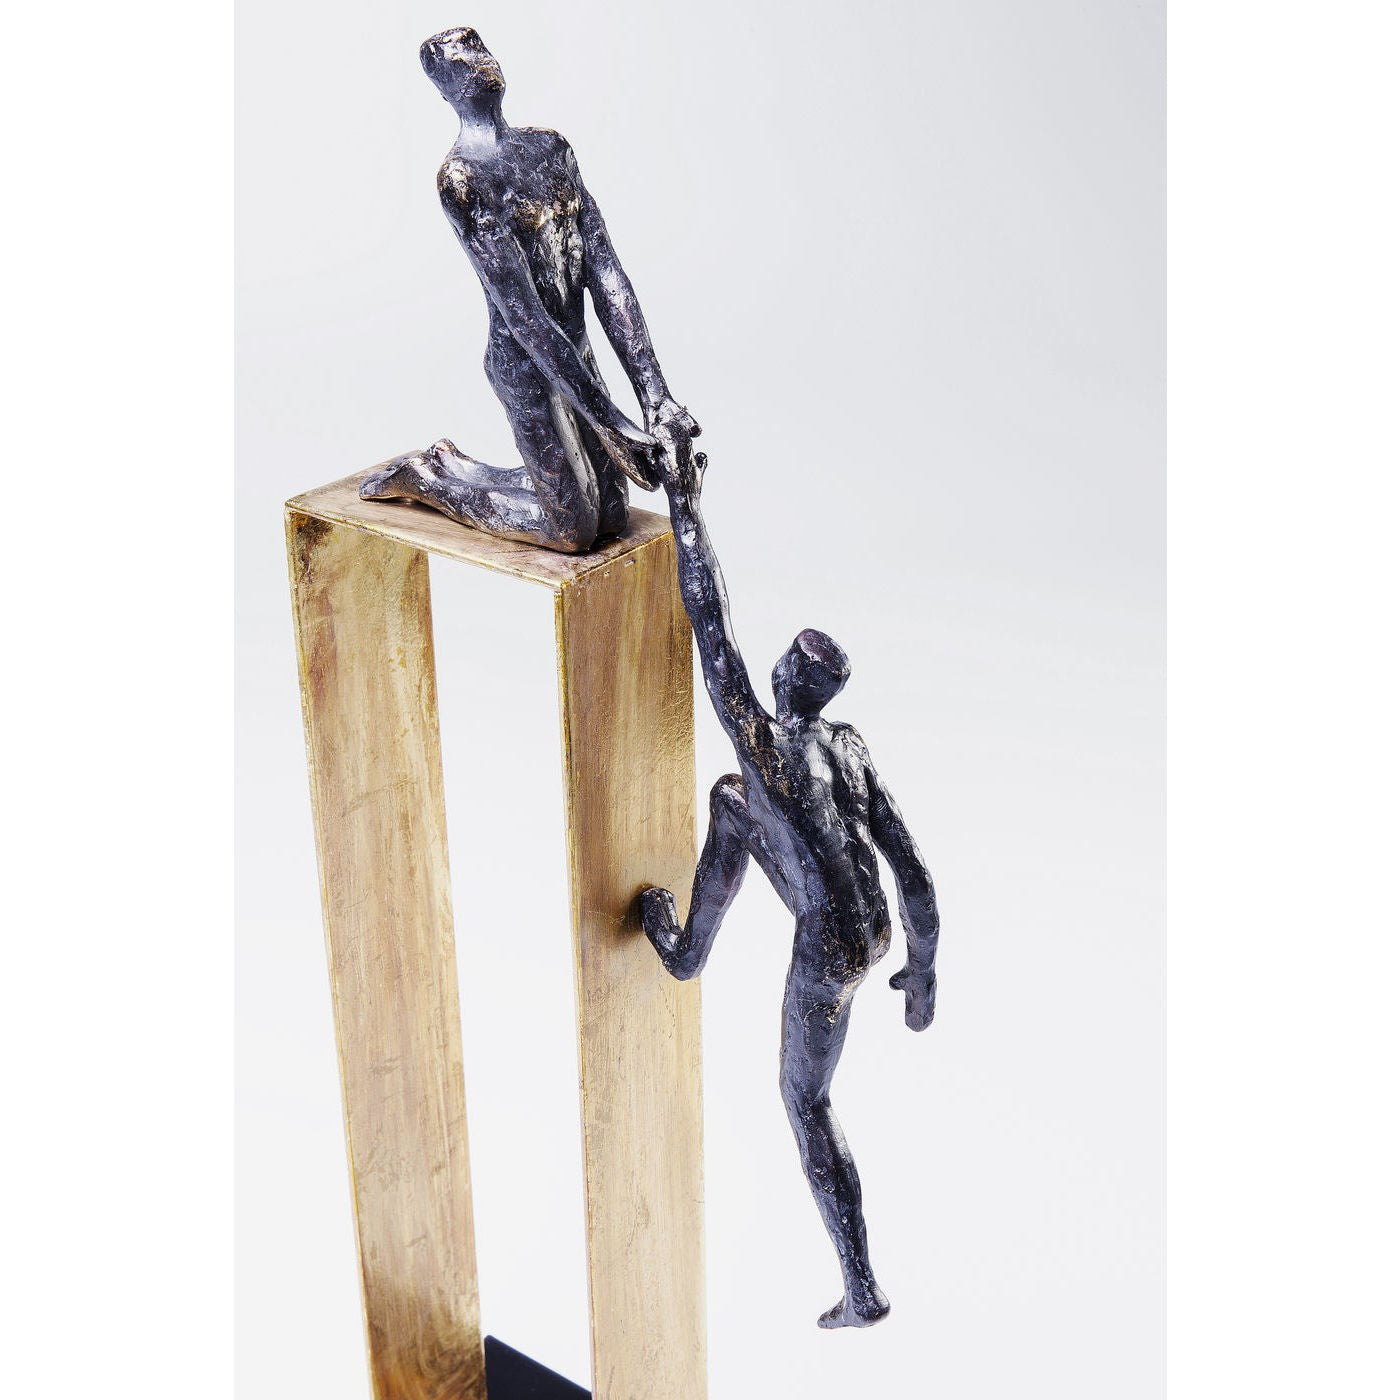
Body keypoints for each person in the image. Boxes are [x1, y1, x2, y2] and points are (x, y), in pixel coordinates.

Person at [639, 429, 942, 1329]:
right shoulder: (846, 747)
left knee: (804, 1101)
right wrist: (922, 971)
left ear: (787, 677)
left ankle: (862, 1286)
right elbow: (913, 870)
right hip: (875, 927)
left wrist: (686, 504)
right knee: (731, 804)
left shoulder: (766, 745)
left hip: (829, 949)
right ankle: (687, 953)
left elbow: (711, 626)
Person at [362, 28, 697, 552]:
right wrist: (613, 423)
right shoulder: (462, 178)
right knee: (572, 531)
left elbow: (605, 270)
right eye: (458, 59)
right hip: (525, 365)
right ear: (443, 88)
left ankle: (463, 465)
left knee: (613, 515)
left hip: (575, 355)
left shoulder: (551, 148)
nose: (477, 62)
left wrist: (656, 397)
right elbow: (526, 318)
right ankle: (429, 478)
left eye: (479, 48)